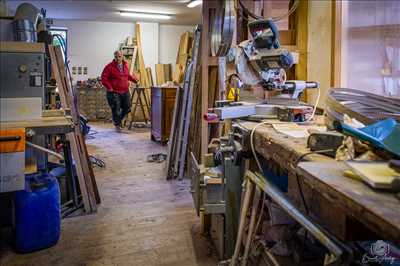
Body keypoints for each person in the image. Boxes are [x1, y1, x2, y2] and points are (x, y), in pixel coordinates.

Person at [101, 50, 138, 131]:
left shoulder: (125, 65)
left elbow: (127, 75)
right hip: (114, 92)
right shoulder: (109, 67)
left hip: (125, 91)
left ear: (122, 56)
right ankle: (117, 125)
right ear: (114, 57)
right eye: (116, 57)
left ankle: (117, 121)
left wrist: (135, 80)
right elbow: (103, 79)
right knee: (116, 109)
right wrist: (109, 87)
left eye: (119, 56)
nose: (118, 58)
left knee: (128, 107)